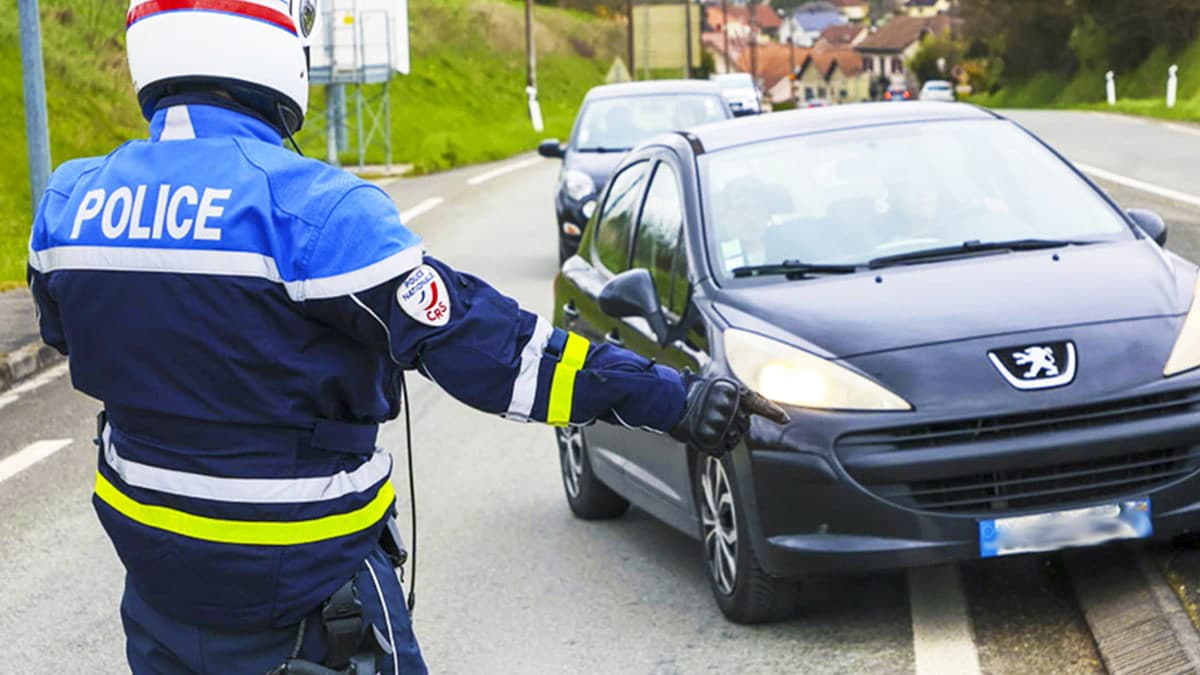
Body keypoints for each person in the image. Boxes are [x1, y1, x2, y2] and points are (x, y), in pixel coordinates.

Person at [26, 1, 786, 673]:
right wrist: (678, 399)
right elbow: (500, 354)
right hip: (311, 610)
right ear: (270, 39)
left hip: (158, 601)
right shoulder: (314, 209)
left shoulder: (67, 204)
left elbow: (69, 335)